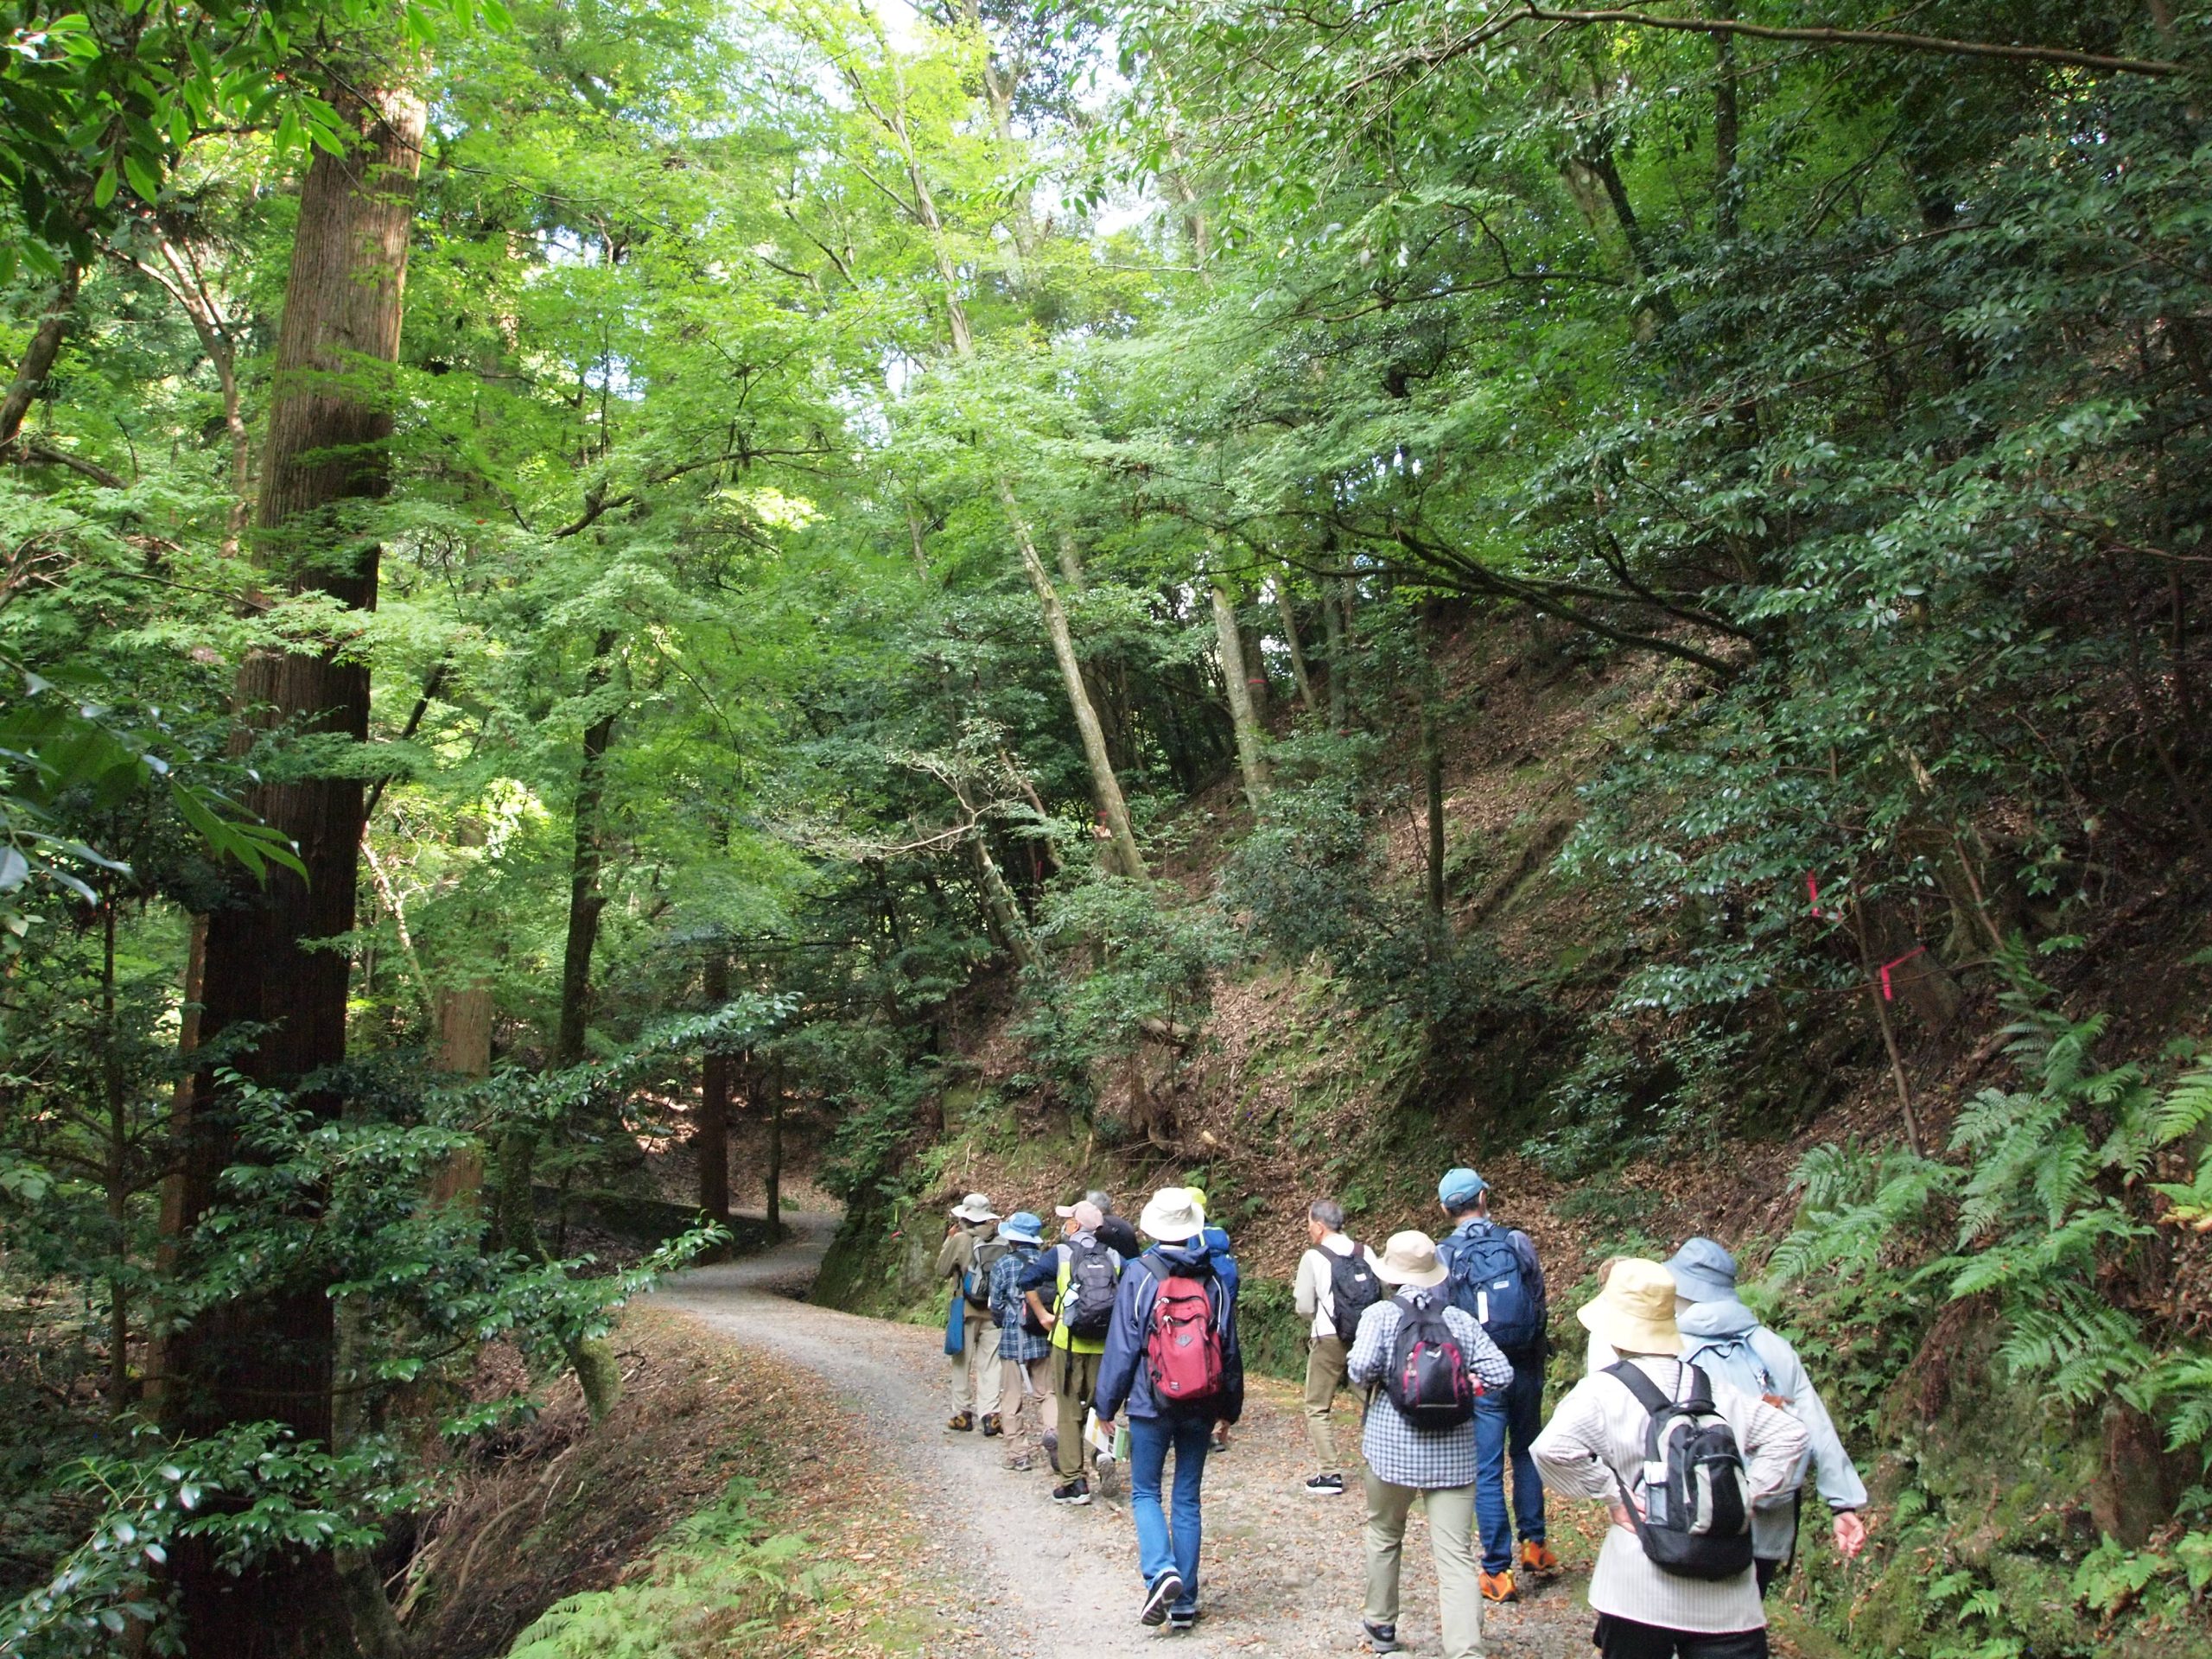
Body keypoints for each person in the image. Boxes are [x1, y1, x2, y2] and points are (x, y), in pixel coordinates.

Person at [1532, 1259, 1809, 1659]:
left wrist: (1614, 1495)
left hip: (1636, 1588)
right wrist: (1745, 1495)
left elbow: (1550, 1449)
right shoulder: (1714, 1388)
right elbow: (1791, 1434)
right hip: (1727, 1596)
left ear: (1613, 1330)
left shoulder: (1601, 1392)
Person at [1345, 1230, 1516, 1659]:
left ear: (1392, 1274)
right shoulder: (1458, 1320)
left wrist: (1391, 1377)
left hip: (1391, 1450)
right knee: (1456, 1555)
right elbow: (1502, 1373)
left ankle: (1382, 1624)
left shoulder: (1381, 1316)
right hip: (1454, 1455)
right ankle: (1466, 1650)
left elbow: (1360, 1368)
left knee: (1384, 1532)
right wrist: (1467, 1385)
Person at [1664, 1238, 1868, 1596]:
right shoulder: (1773, 1347)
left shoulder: (1668, 1349)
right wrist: (1842, 1503)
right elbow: (1817, 1428)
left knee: (1694, 1629)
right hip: (1767, 1526)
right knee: (1743, 1626)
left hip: (1694, 1524)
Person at [1094, 1187, 1243, 1632]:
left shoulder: (1140, 1274)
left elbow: (1122, 1345)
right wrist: (1228, 1410)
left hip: (1149, 1400)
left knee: (1144, 1491)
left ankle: (1162, 1572)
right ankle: (1185, 1603)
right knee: (1187, 1498)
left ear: (1155, 1228)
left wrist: (1105, 1404)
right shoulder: (1213, 1278)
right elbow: (1229, 1349)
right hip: (1200, 1401)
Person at [1435, 1166, 1554, 1601]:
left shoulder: (1443, 1254)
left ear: (1445, 1208)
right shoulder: (1515, 1241)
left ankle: (1497, 1571)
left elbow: (1442, 1318)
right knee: (1525, 1453)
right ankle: (1536, 1545)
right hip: (1525, 1365)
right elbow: (1538, 1299)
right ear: (1484, 1196)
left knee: (1486, 1469)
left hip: (1480, 1375)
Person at [1020, 1198, 1123, 1504]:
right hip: (1105, 1346)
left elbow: (1026, 1280)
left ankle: (1074, 1483)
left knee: (1068, 1410)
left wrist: (1042, 1314)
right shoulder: (1115, 1256)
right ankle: (1103, 1456)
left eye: (1068, 1220)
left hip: (1068, 1342)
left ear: (1075, 1225)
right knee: (1101, 1407)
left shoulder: (1061, 1254)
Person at [1294, 1198, 1381, 1497]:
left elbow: (1305, 1306)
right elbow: (1383, 1292)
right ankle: (1386, 1463)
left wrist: (1318, 1313)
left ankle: (1329, 1473)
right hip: (1366, 1336)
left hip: (1328, 1338)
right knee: (1372, 1400)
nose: (1307, 1229)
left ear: (1319, 1226)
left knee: (1317, 1405)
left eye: (1308, 1223)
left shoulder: (1313, 1257)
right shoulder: (1365, 1252)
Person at [935, 1192, 1003, 1433]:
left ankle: (963, 1414)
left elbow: (942, 1270)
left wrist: (948, 1241)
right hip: (994, 1313)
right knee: (991, 1365)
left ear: (964, 1217)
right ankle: (991, 1415)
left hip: (965, 1309)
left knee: (961, 1362)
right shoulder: (1001, 1239)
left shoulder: (961, 1239)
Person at [990, 1211, 1054, 1471]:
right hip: (1043, 1333)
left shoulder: (1003, 1265)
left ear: (1012, 1239)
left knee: (1011, 1397)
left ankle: (1018, 1454)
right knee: (1047, 1392)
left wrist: (1002, 1319)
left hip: (1012, 1337)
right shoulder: (1047, 1261)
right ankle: (1053, 1432)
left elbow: (995, 1303)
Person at [1185, 1185, 1242, 1452]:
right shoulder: (1220, 1235)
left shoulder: (1190, 1238)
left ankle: (1199, 1429)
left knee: (1197, 1368)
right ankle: (1221, 1424)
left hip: (1196, 1315)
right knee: (1222, 1366)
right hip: (1224, 1311)